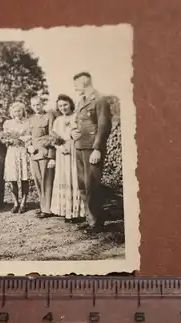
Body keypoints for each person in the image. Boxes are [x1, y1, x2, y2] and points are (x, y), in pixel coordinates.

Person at [70, 72, 112, 231]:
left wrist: (97, 149)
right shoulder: (81, 101)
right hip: (80, 146)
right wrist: (72, 133)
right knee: (82, 185)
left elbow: (103, 126)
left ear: (85, 82)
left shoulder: (100, 100)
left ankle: (96, 223)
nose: (74, 88)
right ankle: (90, 219)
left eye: (76, 84)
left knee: (92, 185)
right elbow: (77, 124)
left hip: (91, 148)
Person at [50, 94, 86, 222]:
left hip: (75, 149)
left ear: (70, 104)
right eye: (60, 106)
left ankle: (77, 212)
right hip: (62, 152)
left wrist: (70, 136)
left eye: (65, 104)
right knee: (64, 177)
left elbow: (80, 133)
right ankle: (66, 211)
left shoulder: (77, 117)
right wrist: (60, 147)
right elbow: (54, 138)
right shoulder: (58, 120)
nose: (63, 108)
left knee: (75, 177)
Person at [26, 96, 56, 219]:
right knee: (38, 181)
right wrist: (29, 147)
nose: (36, 107)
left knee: (47, 181)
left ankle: (48, 209)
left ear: (42, 104)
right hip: (34, 154)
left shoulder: (49, 116)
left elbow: (53, 136)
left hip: (45, 153)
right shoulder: (31, 119)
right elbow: (28, 136)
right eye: (33, 105)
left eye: (38, 104)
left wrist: (51, 156)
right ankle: (42, 206)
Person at [1, 101, 32, 213]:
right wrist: (8, 140)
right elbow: (4, 138)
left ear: (23, 111)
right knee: (12, 178)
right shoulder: (7, 123)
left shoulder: (28, 122)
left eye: (19, 110)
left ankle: (23, 202)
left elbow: (30, 136)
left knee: (24, 178)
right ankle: (15, 202)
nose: (17, 113)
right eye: (15, 111)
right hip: (12, 151)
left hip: (23, 151)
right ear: (12, 112)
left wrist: (22, 139)